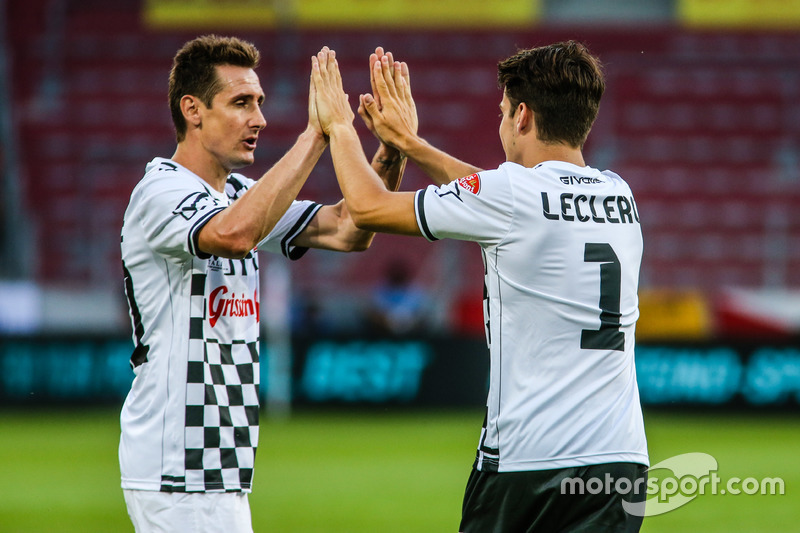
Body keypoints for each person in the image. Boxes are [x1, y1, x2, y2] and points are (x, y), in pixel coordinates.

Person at [312, 42, 649, 532]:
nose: (500, 124)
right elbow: (495, 198)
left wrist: (337, 125)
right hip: (620, 461)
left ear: (523, 117)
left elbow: (366, 207)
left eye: (502, 111)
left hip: (528, 462)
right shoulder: (619, 193)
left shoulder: (512, 193)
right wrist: (411, 144)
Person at [118, 35, 407, 533]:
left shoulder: (235, 192)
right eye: (240, 103)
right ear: (193, 110)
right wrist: (318, 134)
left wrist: (392, 149)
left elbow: (347, 230)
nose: (259, 119)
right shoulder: (161, 190)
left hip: (219, 467)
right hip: (178, 463)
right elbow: (232, 234)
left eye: (260, 102)